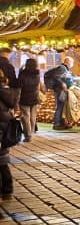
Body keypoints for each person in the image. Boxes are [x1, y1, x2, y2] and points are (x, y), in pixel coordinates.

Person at [0, 70, 19, 199]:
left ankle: (5, 190)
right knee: (2, 161)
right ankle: (7, 189)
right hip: (4, 130)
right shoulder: (6, 91)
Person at [18, 59, 43, 142]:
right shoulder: (37, 74)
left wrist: (20, 71)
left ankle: (28, 136)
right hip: (34, 98)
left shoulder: (23, 74)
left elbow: (19, 87)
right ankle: (31, 133)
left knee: (25, 117)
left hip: (24, 98)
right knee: (33, 117)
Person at [52, 57, 74, 130]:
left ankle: (61, 123)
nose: (72, 64)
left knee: (62, 106)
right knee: (60, 106)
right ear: (68, 62)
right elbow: (55, 77)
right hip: (60, 90)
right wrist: (62, 83)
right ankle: (57, 124)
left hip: (61, 90)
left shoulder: (64, 68)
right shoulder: (62, 68)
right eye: (72, 63)